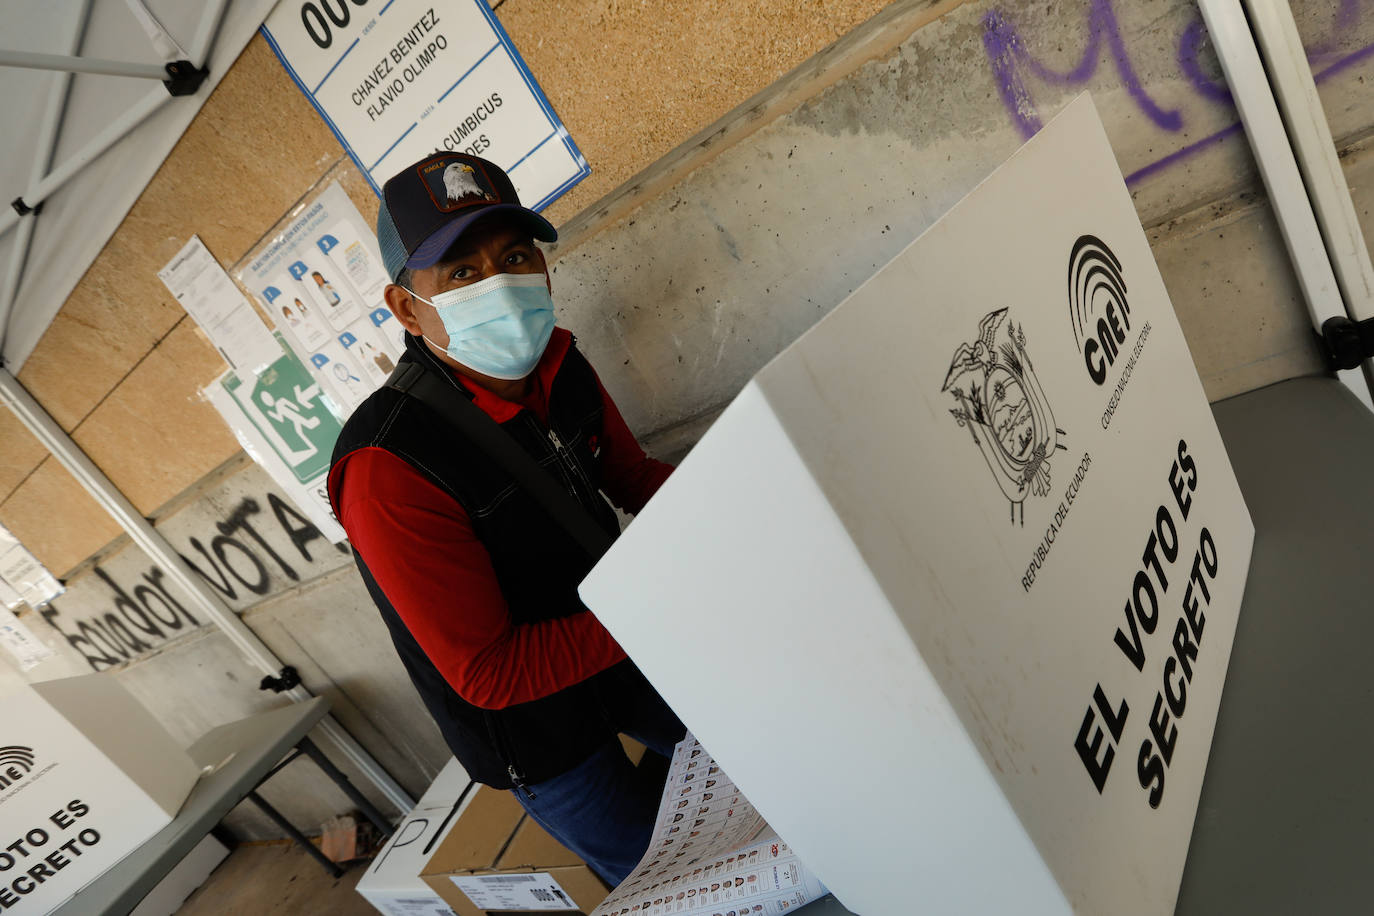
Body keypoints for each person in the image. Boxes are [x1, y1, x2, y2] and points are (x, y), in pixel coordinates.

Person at [327, 152, 685, 885]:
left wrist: (750, 509)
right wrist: (662, 607)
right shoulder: (386, 465)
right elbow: (488, 674)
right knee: (668, 879)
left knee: (762, 778)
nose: (501, 281)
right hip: (536, 733)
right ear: (406, 307)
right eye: (461, 272)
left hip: (627, 652)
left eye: (516, 255)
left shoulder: (560, 365)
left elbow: (633, 478)